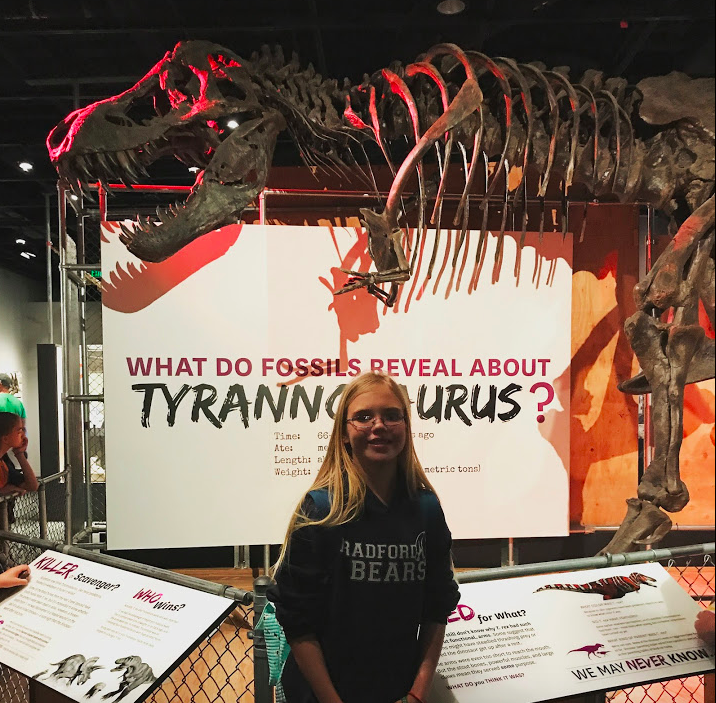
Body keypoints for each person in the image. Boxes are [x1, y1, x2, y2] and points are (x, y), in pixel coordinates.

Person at [268, 372, 459, 703]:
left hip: (397, 692)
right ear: (344, 432)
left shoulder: (426, 509)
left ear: (406, 427)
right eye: (364, 416)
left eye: (391, 415)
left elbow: (437, 607)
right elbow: (298, 623)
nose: (379, 425)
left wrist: (417, 693)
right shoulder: (321, 510)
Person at [0, 412, 38, 495]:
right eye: (19, 431)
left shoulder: (4, 462)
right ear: (5, 439)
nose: (23, 435)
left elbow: (32, 486)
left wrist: (19, 453)